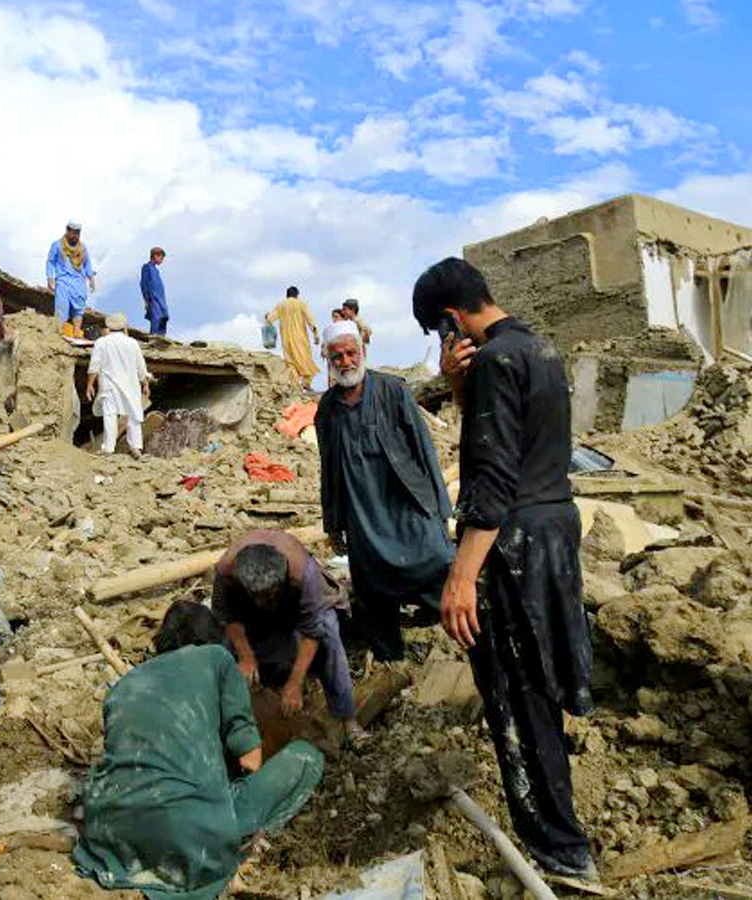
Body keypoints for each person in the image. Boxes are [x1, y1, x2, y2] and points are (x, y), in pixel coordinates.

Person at [412, 257, 596, 881]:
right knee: (541, 684)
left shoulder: (494, 362)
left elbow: (491, 477)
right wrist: (460, 389)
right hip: (553, 528)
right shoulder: (538, 348)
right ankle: (563, 831)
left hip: (512, 543)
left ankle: (559, 850)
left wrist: (461, 577)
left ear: (449, 321)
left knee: (518, 698)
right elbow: (512, 440)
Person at [74, 600, 324, 900]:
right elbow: (251, 758)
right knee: (308, 757)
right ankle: (249, 844)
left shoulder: (124, 684)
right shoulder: (216, 658)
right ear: (211, 637)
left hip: (109, 835)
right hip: (189, 840)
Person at [316, 320, 454, 662]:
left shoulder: (393, 391)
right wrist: (333, 523)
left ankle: (460, 625)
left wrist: (440, 505)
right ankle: (390, 657)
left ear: (362, 351)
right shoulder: (327, 410)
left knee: (437, 557)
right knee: (372, 583)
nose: (346, 362)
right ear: (329, 360)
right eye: (338, 356)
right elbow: (328, 468)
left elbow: (423, 449)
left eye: (351, 353)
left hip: (405, 500)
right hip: (362, 510)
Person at [212, 529, 367, 744]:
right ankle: (231, 721)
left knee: (328, 629)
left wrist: (295, 683)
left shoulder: (303, 573)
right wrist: (246, 657)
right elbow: (228, 617)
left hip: (297, 604)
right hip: (251, 613)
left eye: (268, 596)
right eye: (258, 597)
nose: (264, 602)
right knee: (223, 650)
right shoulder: (226, 571)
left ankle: (347, 718)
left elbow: (311, 632)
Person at [86, 312, 150, 457]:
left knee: (110, 415)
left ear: (109, 327)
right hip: (131, 386)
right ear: (124, 327)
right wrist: (145, 384)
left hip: (110, 386)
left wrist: (90, 384)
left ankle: (108, 448)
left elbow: (94, 366)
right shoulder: (132, 343)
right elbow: (141, 367)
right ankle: (136, 447)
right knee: (134, 415)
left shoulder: (102, 342)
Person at [46, 219, 96, 338]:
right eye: (74, 232)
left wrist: (91, 279)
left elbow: (87, 264)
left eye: (78, 233)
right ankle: (59, 332)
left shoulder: (82, 248)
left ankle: (76, 333)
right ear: (67, 230)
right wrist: (50, 277)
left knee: (79, 308)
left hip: (79, 281)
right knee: (62, 307)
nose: (76, 235)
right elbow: (50, 262)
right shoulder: (57, 245)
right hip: (63, 280)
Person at [266, 286, 320, 390]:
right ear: (297, 295)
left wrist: (267, 316)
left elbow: (270, 319)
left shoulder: (281, 305)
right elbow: (310, 319)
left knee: (291, 362)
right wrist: (315, 334)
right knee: (305, 359)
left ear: (287, 295)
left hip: (286, 339)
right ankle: (306, 383)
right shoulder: (301, 304)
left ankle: (294, 385)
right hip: (300, 338)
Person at [140, 246, 169, 336]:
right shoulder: (146, 267)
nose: (162, 260)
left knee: (164, 317)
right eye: (161, 258)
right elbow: (144, 283)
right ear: (155, 256)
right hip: (153, 298)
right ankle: (153, 337)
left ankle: (161, 337)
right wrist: (146, 299)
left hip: (161, 298)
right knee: (156, 318)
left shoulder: (156, 270)